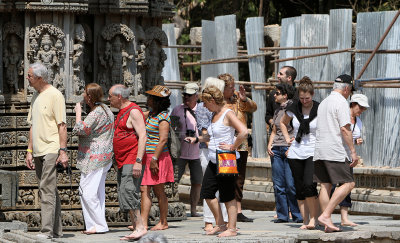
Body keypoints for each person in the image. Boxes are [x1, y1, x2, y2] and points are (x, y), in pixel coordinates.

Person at [186, 85, 248, 237]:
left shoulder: (228, 113)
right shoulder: (215, 114)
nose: (204, 106)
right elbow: (211, 137)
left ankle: (232, 228)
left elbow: (244, 131)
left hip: (226, 159)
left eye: (206, 103)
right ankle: (220, 224)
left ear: (212, 100)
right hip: (214, 159)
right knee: (207, 192)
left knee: (227, 195)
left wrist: (233, 146)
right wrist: (196, 139)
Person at [25, 62, 67, 239]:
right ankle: (56, 230)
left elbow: (62, 125)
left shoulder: (55, 95)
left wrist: (63, 151)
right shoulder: (36, 96)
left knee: (46, 189)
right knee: (50, 190)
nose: (27, 78)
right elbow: (33, 125)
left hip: (51, 148)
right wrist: (29, 150)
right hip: (38, 150)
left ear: (40, 78)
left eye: (30, 76)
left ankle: (46, 231)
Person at [313, 74, 359, 233]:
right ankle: (326, 216)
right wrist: (353, 152)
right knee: (349, 183)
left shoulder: (324, 102)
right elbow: (345, 129)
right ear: (346, 88)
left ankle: (327, 224)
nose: (349, 93)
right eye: (350, 90)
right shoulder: (341, 102)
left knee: (325, 185)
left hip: (320, 150)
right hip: (335, 150)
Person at [73, 83, 114, 234]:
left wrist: (78, 113)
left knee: (86, 191)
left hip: (94, 157)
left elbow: (80, 129)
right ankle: (93, 226)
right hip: (104, 156)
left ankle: (100, 225)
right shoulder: (106, 110)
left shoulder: (96, 113)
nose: (83, 95)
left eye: (84, 93)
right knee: (97, 193)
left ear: (89, 96)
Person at [108, 84, 147, 240]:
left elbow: (143, 136)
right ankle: (136, 227)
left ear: (119, 96)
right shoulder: (121, 112)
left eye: (110, 96)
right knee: (124, 191)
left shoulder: (134, 111)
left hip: (132, 158)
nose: (108, 99)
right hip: (122, 159)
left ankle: (140, 226)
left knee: (129, 190)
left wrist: (138, 161)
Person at [280, 77, 319, 229]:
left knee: (309, 185)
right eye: (301, 98)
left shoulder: (319, 109)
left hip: (313, 151)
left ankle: (314, 219)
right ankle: (305, 219)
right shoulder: (293, 107)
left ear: (313, 94)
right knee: (299, 187)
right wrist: (286, 138)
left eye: (307, 98)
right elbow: (282, 123)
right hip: (296, 150)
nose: (304, 101)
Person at [217, 73, 257, 222]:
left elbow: (253, 108)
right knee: (226, 177)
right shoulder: (218, 103)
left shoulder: (237, 99)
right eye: (230, 87)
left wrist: (244, 98)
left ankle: (238, 210)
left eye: (233, 86)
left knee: (239, 179)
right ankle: (225, 210)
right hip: (224, 146)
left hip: (240, 145)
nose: (233, 89)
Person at [331, 93, 369, 227]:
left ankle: (344, 217)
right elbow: (338, 133)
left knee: (347, 186)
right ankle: (324, 214)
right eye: (361, 107)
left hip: (348, 158)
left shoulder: (358, 121)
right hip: (336, 155)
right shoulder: (343, 115)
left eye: (364, 108)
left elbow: (353, 137)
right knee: (331, 186)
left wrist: (358, 141)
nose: (362, 110)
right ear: (353, 104)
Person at [140, 85, 175, 231]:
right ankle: (143, 223)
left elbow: (162, 140)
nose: (147, 99)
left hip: (158, 157)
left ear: (156, 101)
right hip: (149, 156)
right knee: (145, 189)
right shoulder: (152, 114)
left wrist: (154, 159)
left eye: (150, 97)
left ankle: (163, 222)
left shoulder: (163, 117)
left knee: (159, 190)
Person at [267, 83, 302, 224]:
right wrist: (269, 145)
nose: (274, 95)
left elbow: (297, 130)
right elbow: (275, 130)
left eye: (277, 93)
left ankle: (297, 214)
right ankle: (282, 215)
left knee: (290, 184)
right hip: (276, 148)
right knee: (278, 184)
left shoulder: (293, 110)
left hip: (289, 149)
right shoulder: (277, 111)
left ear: (285, 95)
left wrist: (292, 146)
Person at [196, 77, 228, 231]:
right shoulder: (203, 107)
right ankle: (210, 220)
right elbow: (204, 131)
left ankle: (225, 222)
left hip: (223, 153)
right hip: (209, 151)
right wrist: (213, 149)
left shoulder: (224, 108)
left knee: (225, 188)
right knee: (209, 188)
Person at [171, 82, 202, 217]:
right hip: (180, 153)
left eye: (189, 95)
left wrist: (197, 139)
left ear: (196, 96)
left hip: (198, 153)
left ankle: (194, 209)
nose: (186, 98)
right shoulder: (177, 109)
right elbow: (170, 130)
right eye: (185, 95)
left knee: (197, 182)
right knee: (173, 179)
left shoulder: (203, 110)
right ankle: (171, 205)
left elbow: (209, 135)